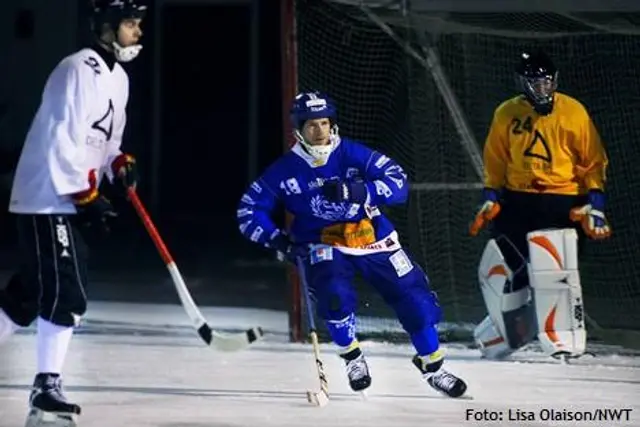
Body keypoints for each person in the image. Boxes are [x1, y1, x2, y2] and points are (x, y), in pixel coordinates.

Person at [237, 91, 467, 398]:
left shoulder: (353, 153)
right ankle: (352, 357)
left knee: (417, 303)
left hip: (373, 238)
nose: (319, 132)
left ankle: (433, 368)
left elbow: (399, 183)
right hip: (323, 242)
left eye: (324, 123)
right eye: (311, 125)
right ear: (298, 129)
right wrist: (278, 240)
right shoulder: (285, 170)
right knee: (334, 295)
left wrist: (359, 191)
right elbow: (248, 211)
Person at [0, 1, 144, 425]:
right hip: (48, 196)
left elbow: (105, 141)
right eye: (130, 24)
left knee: (27, 295)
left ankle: (46, 386)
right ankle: (46, 387)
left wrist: (117, 164)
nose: (138, 32)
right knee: (67, 291)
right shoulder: (76, 68)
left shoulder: (119, 79)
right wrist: (84, 193)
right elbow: (63, 137)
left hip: (70, 196)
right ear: (104, 26)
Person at [470, 50, 610, 361]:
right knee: (507, 266)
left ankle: (564, 340)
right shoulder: (506, 113)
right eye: (534, 82)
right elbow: (495, 159)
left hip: (562, 200)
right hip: (518, 199)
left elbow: (592, 161)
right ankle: (502, 334)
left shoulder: (574, 112)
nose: (541, 89)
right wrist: (490, 196)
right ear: (522, 82)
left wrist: (595, 201)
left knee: (555, 272)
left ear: (555, 81)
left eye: (546, 82)